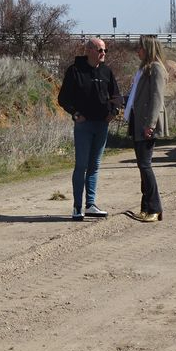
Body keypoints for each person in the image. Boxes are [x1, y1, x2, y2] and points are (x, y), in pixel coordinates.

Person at [58, 37, 121, 221]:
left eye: (105, 50)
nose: (103, 54)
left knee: (95, 165)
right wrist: (75, 114)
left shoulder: (106, 72)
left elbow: (116, 96)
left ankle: (91, 204)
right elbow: (63, 98)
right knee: (81, 165)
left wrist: (114, 111)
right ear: (89, 51)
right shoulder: (75, 71)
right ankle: (77, 207)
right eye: (100, 50)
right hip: (84, 126)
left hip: (102, 125)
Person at [123, 35, 168, 222]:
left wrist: (150, 124)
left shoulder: (156, 69)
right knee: (142, 166)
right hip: (137, 121)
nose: (137, 51)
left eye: (140, 47)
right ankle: (146, 207)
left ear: (148, 48)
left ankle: (155, 208)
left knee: (145, 165)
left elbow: (157, 99)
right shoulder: (143, 69)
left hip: (146, 124)